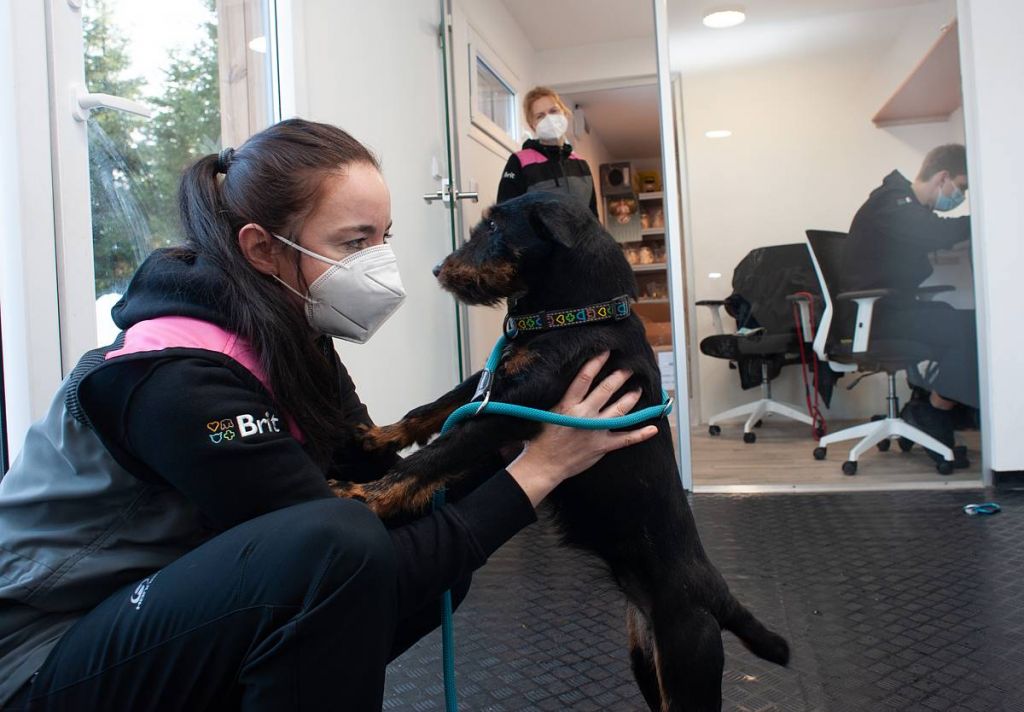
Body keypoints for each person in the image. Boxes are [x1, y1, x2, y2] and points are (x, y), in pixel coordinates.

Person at [0, 119, 657, 711]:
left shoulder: (295, 339)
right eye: (353, 242)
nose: (380, 264)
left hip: (153, 619)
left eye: (383, 239)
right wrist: (538, 471)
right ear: (262, 249)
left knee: (436, 569)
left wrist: (519, 431)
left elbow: (385, 486)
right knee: (350, 548)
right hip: (43, 657)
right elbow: (343, 557)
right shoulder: (178, 380)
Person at [842, 143, 976, 457]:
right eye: (961, 187)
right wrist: (985, 217)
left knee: (956, 317)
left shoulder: (906, 205)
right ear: (942, 177)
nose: (961, 195)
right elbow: (938, 233)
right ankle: (934, 411)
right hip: (876, 316)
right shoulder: (892, 202)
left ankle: (924, 404)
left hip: (890, 309)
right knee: (969, 329)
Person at [496, 86, 599, 217]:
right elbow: (505, 214)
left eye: (553, 111)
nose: (549, 119)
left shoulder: (581, 164)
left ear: (564, 112)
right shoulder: (519, 162)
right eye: (540, 116)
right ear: (532, 125)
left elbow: (593, 217)